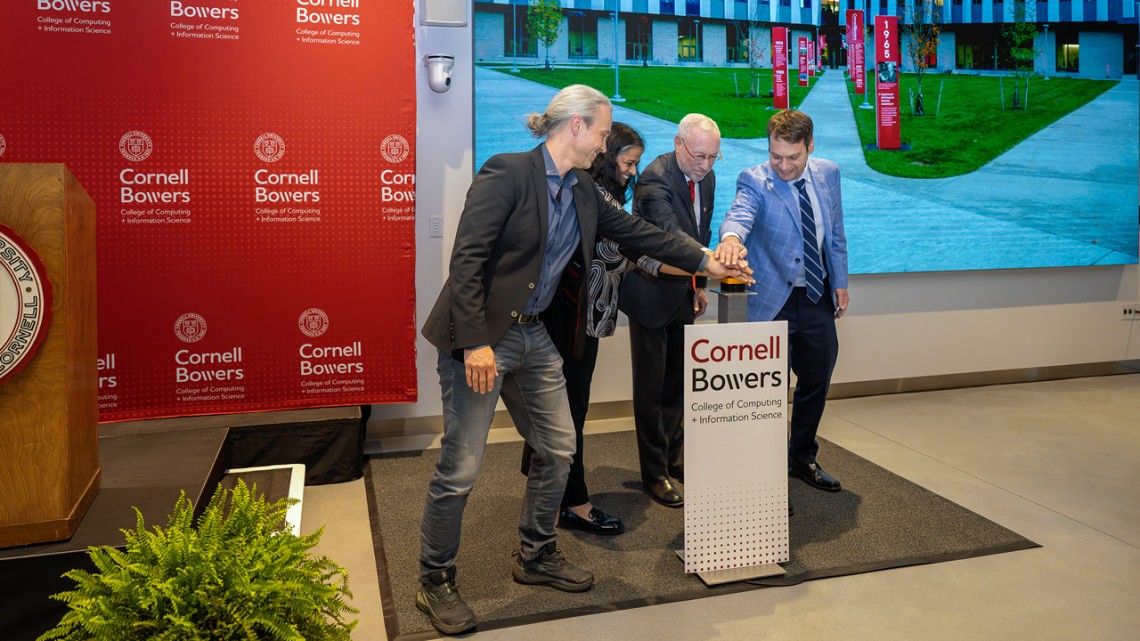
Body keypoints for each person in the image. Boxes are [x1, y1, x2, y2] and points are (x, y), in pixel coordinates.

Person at [418, 86, 750, 636]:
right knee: (461, 465)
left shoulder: (583, 190)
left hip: (533, 337)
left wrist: (705, 261)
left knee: (559, 446)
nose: (604, 142)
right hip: (481, 338)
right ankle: (434, 578)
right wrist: (475, 342)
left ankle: (538, 554)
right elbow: (468, 259)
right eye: (601, 132)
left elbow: (639, 234)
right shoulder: (506, 172)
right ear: (575, 126)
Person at [518, 123, 737, 536]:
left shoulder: (610, 196)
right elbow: (651, 242)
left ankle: (553, 494)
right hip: (567, 318)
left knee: (568, 413)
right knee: (568, 414)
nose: (633, 171)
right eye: (626, 161)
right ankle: (573, 504)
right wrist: (705, 262)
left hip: (587, 318)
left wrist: (702, 270)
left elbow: (644, 255)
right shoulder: (593, 194)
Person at [714, 108, 850, 498]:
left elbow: (835, 233)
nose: (784, 166)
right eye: (776, 157)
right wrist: (731, 239)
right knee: (764, 389)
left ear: (810, 148)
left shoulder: (829, 173)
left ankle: (802, 456)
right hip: (772, 299)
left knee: (816, 378)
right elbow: (739, 215)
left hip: (816, 294)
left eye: (793, 158)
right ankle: (763, 469)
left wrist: (839, 280)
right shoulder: (754, 180)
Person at [618, 113, 721, 507]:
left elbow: (701, 232)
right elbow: (670, 238)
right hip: (649, 294)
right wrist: (711, 263)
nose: (705, 165)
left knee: (678, 384)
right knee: (651, 390)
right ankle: (654, 474)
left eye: (713, 157)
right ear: (679, 145)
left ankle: (675, 459)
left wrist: (700, 285)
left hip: (682, 291)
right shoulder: (653, 180)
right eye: (698, 155)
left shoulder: (705, 176)